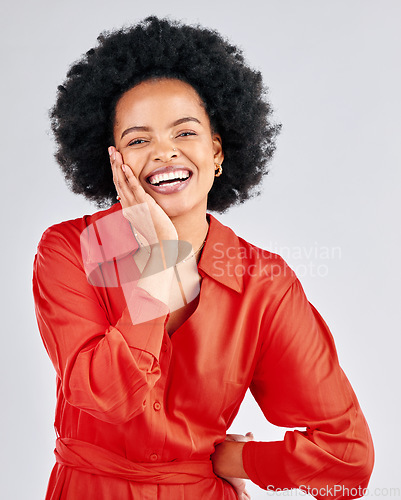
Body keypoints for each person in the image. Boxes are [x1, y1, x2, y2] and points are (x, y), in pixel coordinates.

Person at [32, 16, 374, 500]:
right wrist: (157, 265)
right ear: (113, 161)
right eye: (137, 140)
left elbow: (348, 459)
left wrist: (242, 460)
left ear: (216, 151)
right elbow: (106, 397)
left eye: (185, 133)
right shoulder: (69, 250)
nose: (164, 153)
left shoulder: (264, 283)